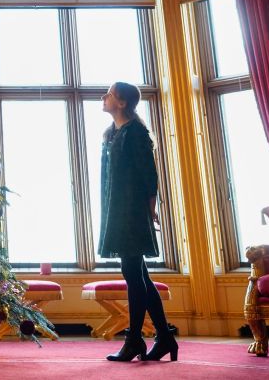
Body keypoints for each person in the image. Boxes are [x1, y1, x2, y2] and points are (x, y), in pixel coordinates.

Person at [98, 82, 177, 362]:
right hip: (117, 211)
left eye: (109, 94)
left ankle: (134, 340)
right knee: (139, 275)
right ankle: (165, 337)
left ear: (121, 103)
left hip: (132, 211)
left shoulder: (136, 132)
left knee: (133, 275)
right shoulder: (112, 133)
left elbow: (149, 174)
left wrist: (150, 210)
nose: (104, 97)